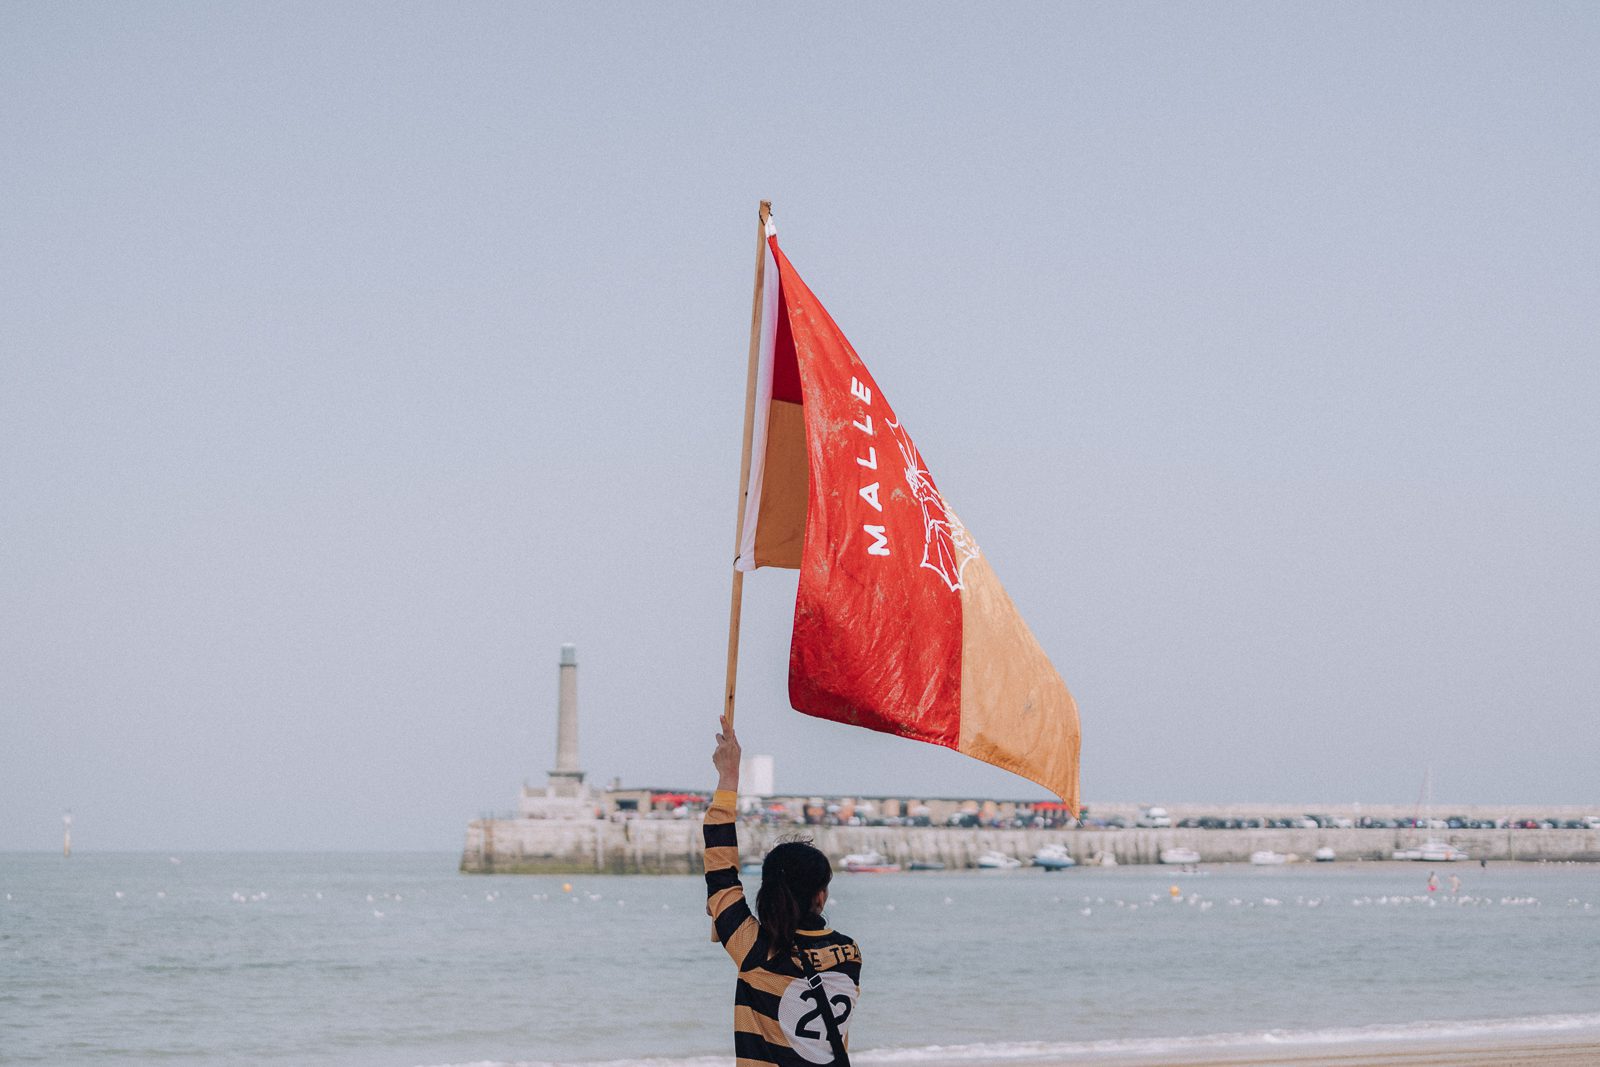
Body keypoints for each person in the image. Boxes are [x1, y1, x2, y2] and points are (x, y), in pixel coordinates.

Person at [705, 720, 862, 1065]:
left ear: (770, 893)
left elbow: (720, 872)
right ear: (820, 896)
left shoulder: (755, 951)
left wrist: (728, 777)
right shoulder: (850, 953)